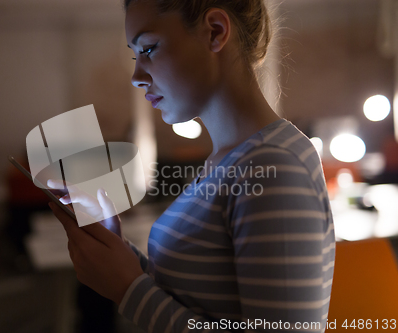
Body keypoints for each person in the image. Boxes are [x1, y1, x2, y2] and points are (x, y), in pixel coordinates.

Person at [47, 0, 336, 332]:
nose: (136, 77)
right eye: (135, 55)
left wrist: (127, 289)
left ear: (215, 31)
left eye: (149, 48)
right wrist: (118, 253)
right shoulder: (230, 160)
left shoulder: (273, 165)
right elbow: (197, 299)